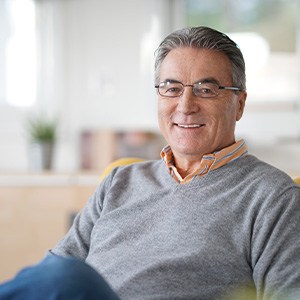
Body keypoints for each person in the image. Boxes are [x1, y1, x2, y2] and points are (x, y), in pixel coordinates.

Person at [1, 26, 300, 300]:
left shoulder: (274, 197)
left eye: (206, 90)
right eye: (171, 88)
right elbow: (46, 275)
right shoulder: (119, 181)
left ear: (239, 104)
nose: (185, 106)